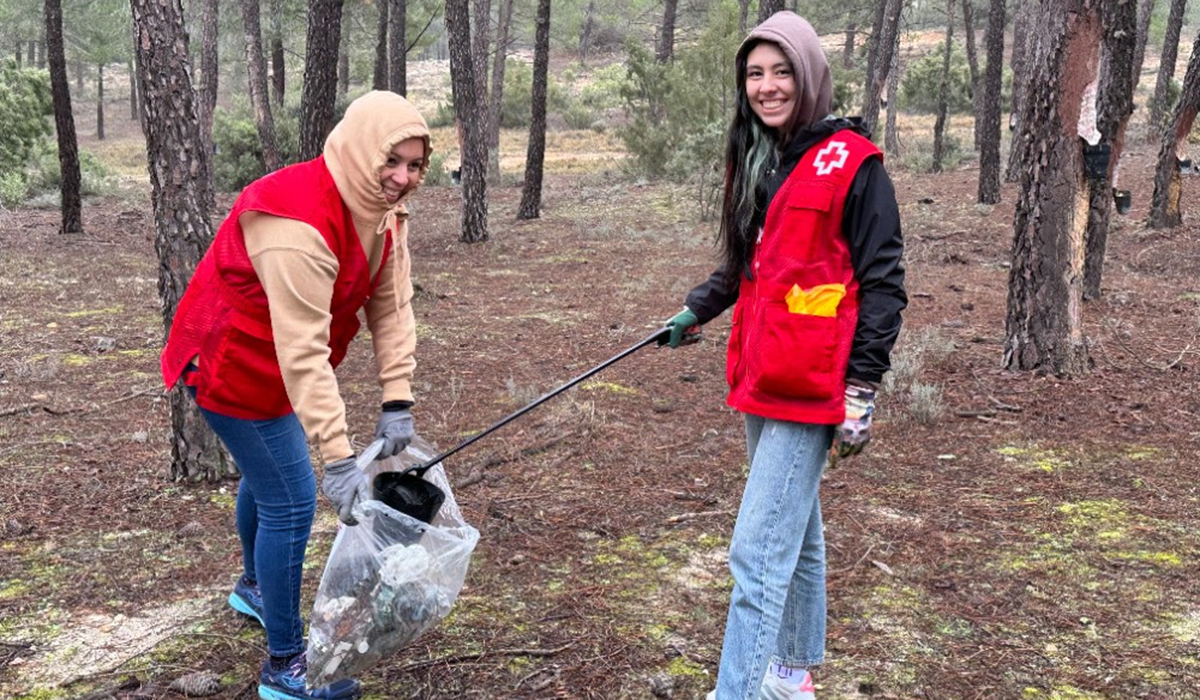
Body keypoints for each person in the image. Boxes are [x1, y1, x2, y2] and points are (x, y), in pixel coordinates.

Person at [659, 12, 906, 700]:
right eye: (755, 74)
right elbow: (750, 263)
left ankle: (735, 692)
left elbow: (884, 285)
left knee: (756, 551)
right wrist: (697, 307)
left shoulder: (856, 163)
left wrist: (862, 390)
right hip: (762, 373)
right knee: (792, 534)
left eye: (781, 71)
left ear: (811, 75)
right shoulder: (763, 155)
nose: (767, 87)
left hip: (814, 384)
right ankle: (791, 675)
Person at [160, 91, 431, 700]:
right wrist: (338, 456)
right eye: (394, 161)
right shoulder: (294, 221)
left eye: (415, 165)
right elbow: (303, 349)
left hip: (279, 366)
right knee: (292, 499)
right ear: (364, 150)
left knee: (267, 481)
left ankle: (254, 587)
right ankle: (285, 666)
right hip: (232, 364)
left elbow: (392, 307)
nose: (402, 178)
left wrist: (397, 399)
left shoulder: (381, 213)